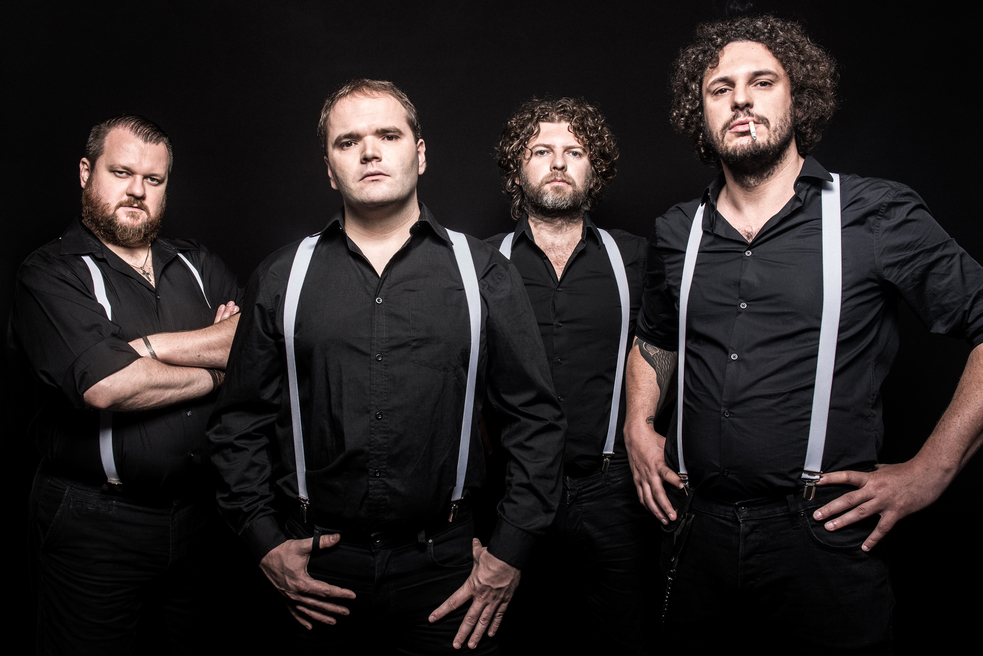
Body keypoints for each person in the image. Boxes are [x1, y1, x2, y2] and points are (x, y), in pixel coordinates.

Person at [623, 14, 983, 653]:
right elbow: (656, 338)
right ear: (700, 112)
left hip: (822, 541)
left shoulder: (874, 213)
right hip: (695, 535)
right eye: (720, 88)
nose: (741, 99)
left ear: (799, 97)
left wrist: (934, 468)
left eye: (762, 82)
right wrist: (636, 423)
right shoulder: (678, 231)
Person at [207, 79, 564, 654]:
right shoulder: (281, 277)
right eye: (348, 142)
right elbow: (238, 423)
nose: (370, 151)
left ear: (419, 154)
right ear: (330, 169)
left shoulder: (484, 274)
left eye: (388, 135)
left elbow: (535, 421)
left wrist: (510, 552)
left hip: (448, 572)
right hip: (316, 572)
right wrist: (263, 541)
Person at [10, 114, 242, 654]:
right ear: (86, 172)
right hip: (95, 522)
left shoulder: (197, 263)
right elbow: (107, 385)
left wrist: (146, 349)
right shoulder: (50, 273)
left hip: (202, 517)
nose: (138, 190)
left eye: (153, 179)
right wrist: (214, 368)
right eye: (121, 173)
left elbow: (254, 344)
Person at [486, 97, 654, 654]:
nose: (558, 162)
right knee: (511, 642)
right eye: (541, 151)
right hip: (510, 491)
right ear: (518, 168)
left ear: (594, 169)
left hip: (614, 492)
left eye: (574, 152)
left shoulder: (637, 258)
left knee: (623, 643)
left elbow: (669, 346)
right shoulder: (480, 263)